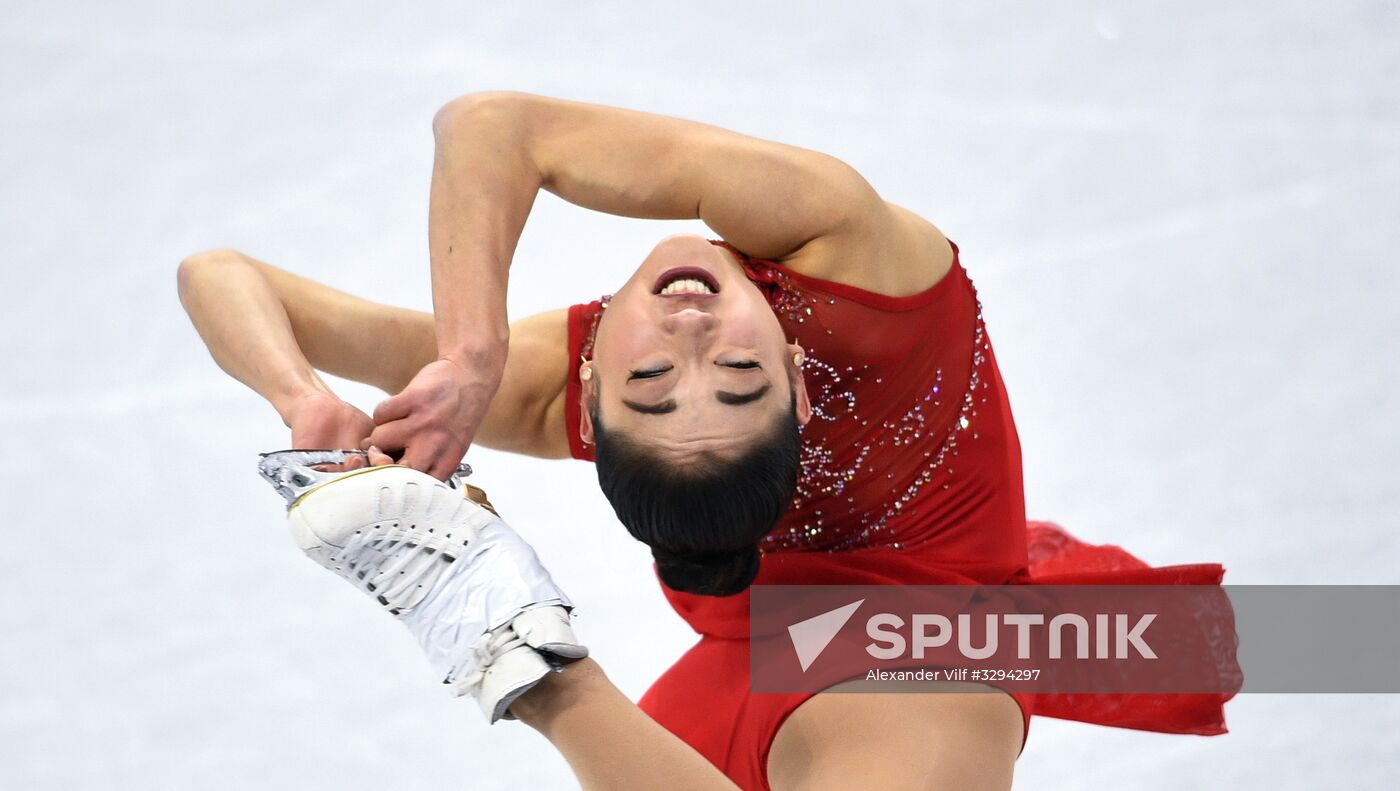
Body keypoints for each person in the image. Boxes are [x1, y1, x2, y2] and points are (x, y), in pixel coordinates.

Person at [178, 91, 1232, 790]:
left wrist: (462, 354)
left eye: (721, 373)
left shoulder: (858, 270)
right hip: (793, 658)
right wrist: (304, 397)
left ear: (806, 393)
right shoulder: (577, 385)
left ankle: (536, 670)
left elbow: (494, 124)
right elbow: (225, 277)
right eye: (692, 374)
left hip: (925, 650)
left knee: (1298, 637)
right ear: (584, 409)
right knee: (1274, 637)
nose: (687, 333)